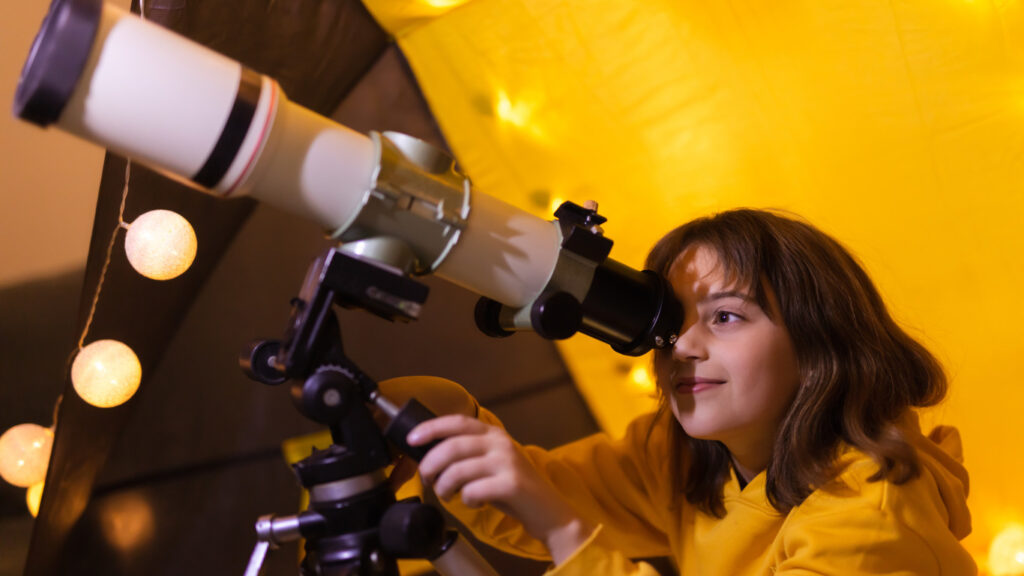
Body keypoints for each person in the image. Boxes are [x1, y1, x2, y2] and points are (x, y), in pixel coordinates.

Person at [382, 208, 977, 575]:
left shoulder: (870, 514)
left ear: (819, 341)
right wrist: (440, 410)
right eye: (671, 324)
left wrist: (567, 534)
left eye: (724, 318)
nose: (683, 346)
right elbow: (534, 497)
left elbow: (555, 515)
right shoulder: (682, 458)